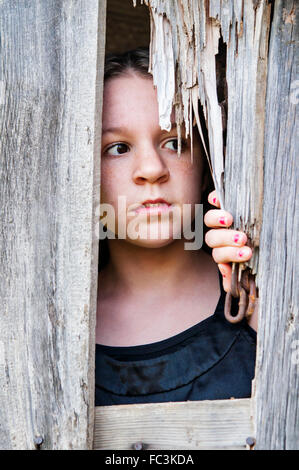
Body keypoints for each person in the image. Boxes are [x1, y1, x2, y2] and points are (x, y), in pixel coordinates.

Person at [95, 48, 256, 406]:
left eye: (174, 143)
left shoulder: (255, 299)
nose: (152, 169)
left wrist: (271, 311)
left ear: (205, 167)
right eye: (118, 148)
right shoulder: (48, 319)